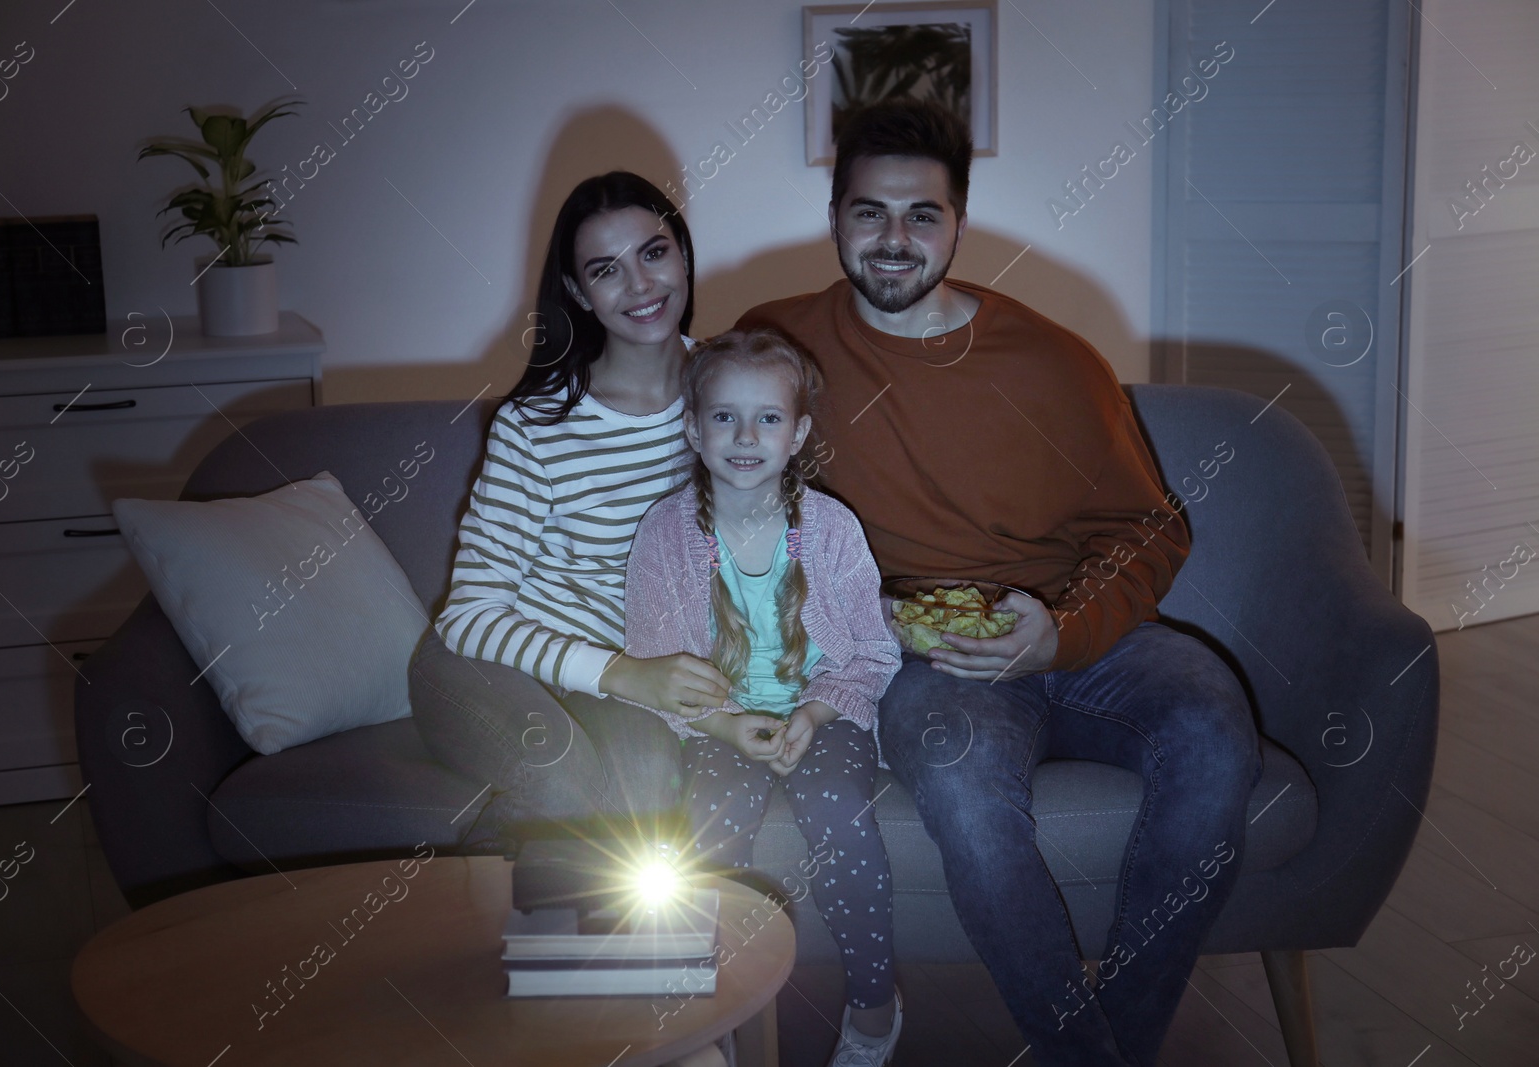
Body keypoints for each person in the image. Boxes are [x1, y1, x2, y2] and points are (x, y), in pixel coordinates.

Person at [736, 101, 1262, 1067]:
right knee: (963, 789)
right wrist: (869, 613)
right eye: (869, 212)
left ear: (959, 223)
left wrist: (1061, 631)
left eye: (922, 215)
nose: (894, 241)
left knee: (1215, 727)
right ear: (835, 216)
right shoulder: (782, 349)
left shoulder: (1055, 362)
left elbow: (1149, 529)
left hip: (1078, 638)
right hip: (922, 660)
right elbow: (742, 516)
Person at [411, 171, 733, 854]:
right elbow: (468, 616)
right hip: (489, 662)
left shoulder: (731, 395)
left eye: (653, 252)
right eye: (605, 271)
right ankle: (470, 929)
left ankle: (605, 948)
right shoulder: (536, 425)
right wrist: (625, 674)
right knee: (556, 772)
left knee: (651, 795)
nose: (641, 286)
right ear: (578, 294)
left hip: (619, 685)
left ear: (683, 253)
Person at [621, 329, 904, 1067]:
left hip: (822, 716)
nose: (746, 437)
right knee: (706, 830)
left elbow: (874, 652)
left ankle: (875, 1003)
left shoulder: (834, 531)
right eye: (724, 417)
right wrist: (725, 723)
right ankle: (699, 1012)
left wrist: (810, 713)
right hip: (714, 726)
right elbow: (655, 668)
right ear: (692, 426)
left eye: (768, 418)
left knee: (842, 814)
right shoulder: (663, 536)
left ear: (799, 432)